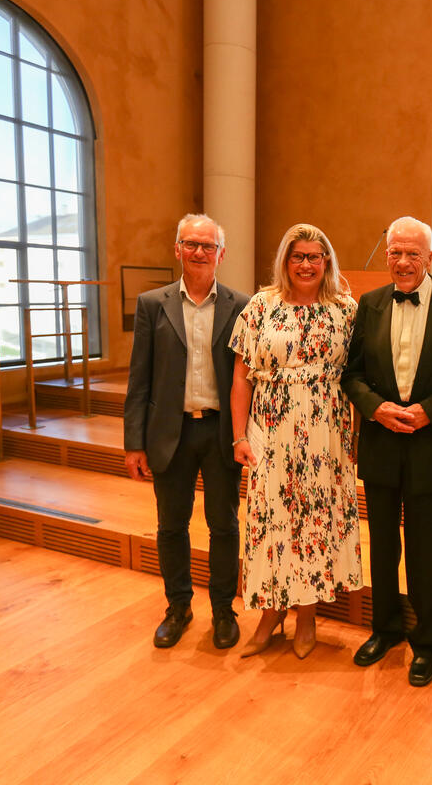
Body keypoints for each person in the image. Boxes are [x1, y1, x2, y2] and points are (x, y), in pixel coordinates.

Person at [342, 216, 432, 686]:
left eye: (413, 254)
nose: (402, 262)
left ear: (430, 258)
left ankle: (426, 641)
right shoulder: (370, 304)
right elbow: (352, 374)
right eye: (395, 253)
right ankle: (385, 629)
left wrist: (431, 412)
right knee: (382, 546)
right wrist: (375, 408)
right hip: (381, 441)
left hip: (429, 443)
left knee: (424, 549)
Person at [229, 223, 361, 660]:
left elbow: (360, 376)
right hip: (270, 426)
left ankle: (306, 615)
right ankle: (270, 613)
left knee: (315, 524)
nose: (306, 264)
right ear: (285, 261)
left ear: (327, 262)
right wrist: (238, 436)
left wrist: (355, 436)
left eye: (314, 256)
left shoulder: (346, 310)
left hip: (326, 431)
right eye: (297, 256)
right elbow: (240, 380)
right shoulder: (259, 307)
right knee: (270, 522)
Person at [123, 213, 248, 651]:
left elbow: (248, 377)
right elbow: (139, 379)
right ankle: (178, 607)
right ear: (177, 249)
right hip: (168, 433)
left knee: (224, 525)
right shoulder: (152, 304)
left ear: (221, 253)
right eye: (190, 244)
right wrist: (134, 443)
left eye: (207, 245)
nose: (199, 252)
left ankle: (222, 611)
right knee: (171, 526)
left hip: (219, 433)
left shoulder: (241, 305)